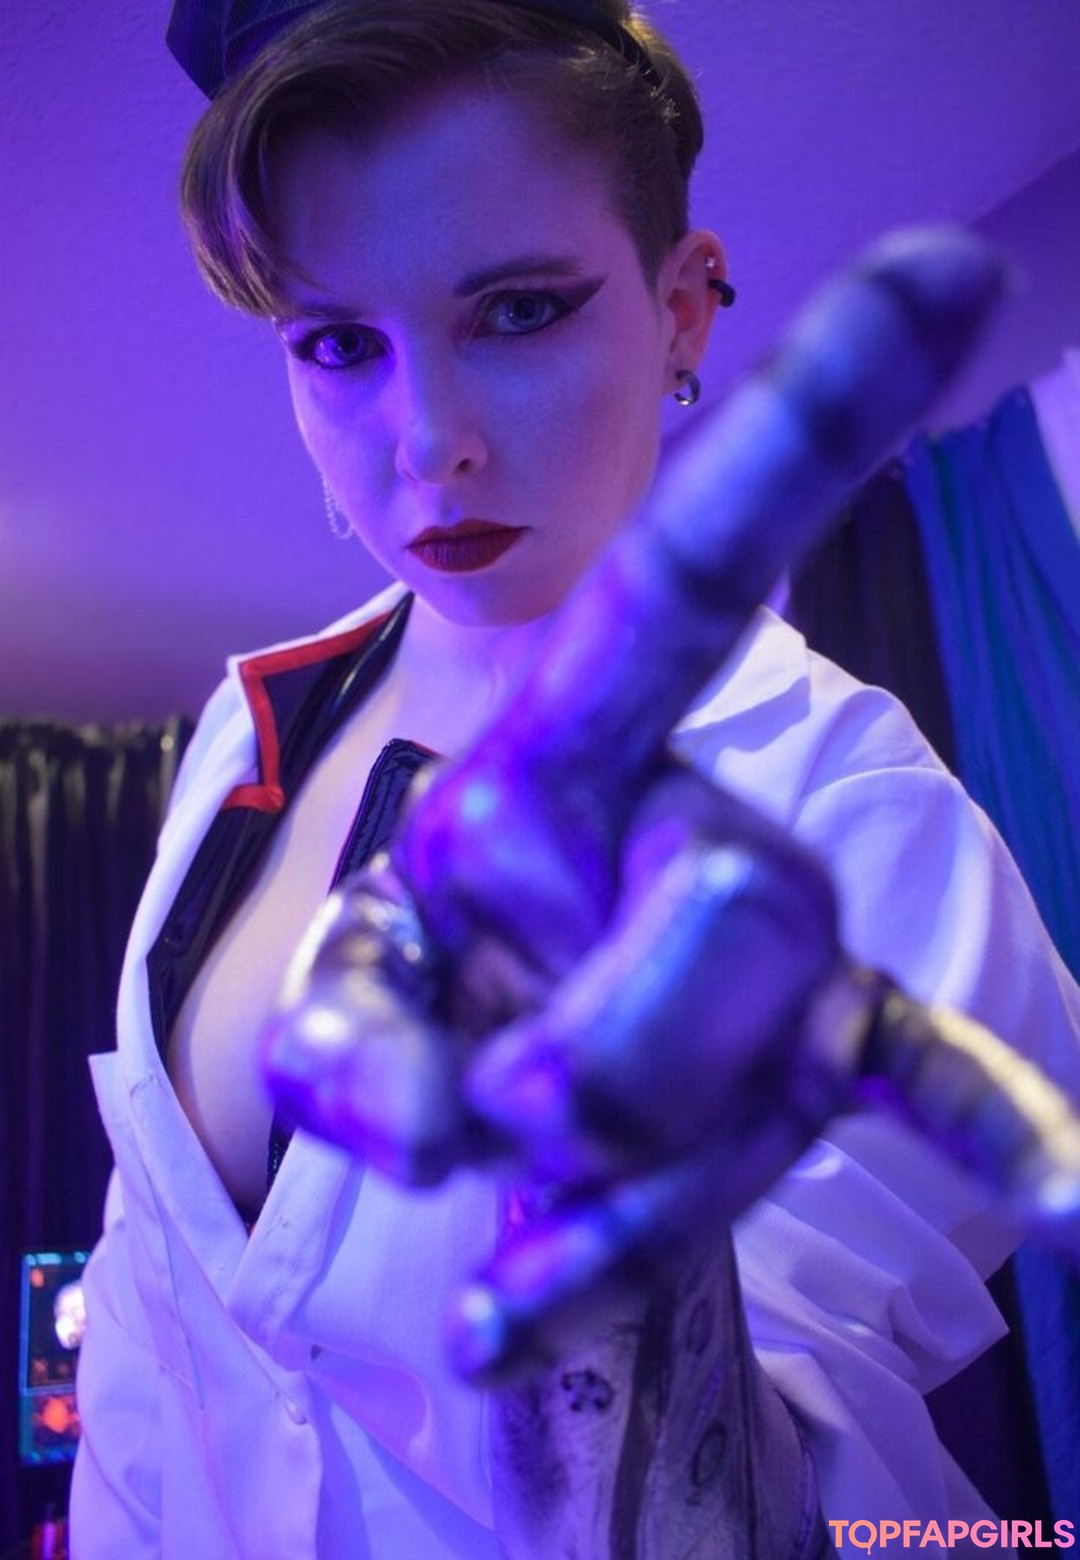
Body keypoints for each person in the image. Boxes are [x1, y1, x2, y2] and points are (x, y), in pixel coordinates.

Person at [71, 2, 1080, 1555]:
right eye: (341, 344)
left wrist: (612, 1206)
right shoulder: (243, 732)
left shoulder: (854, 817)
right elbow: (153, 1315)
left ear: (682, 312)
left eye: (521, 311)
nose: (430, 444)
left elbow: (789, 1496)